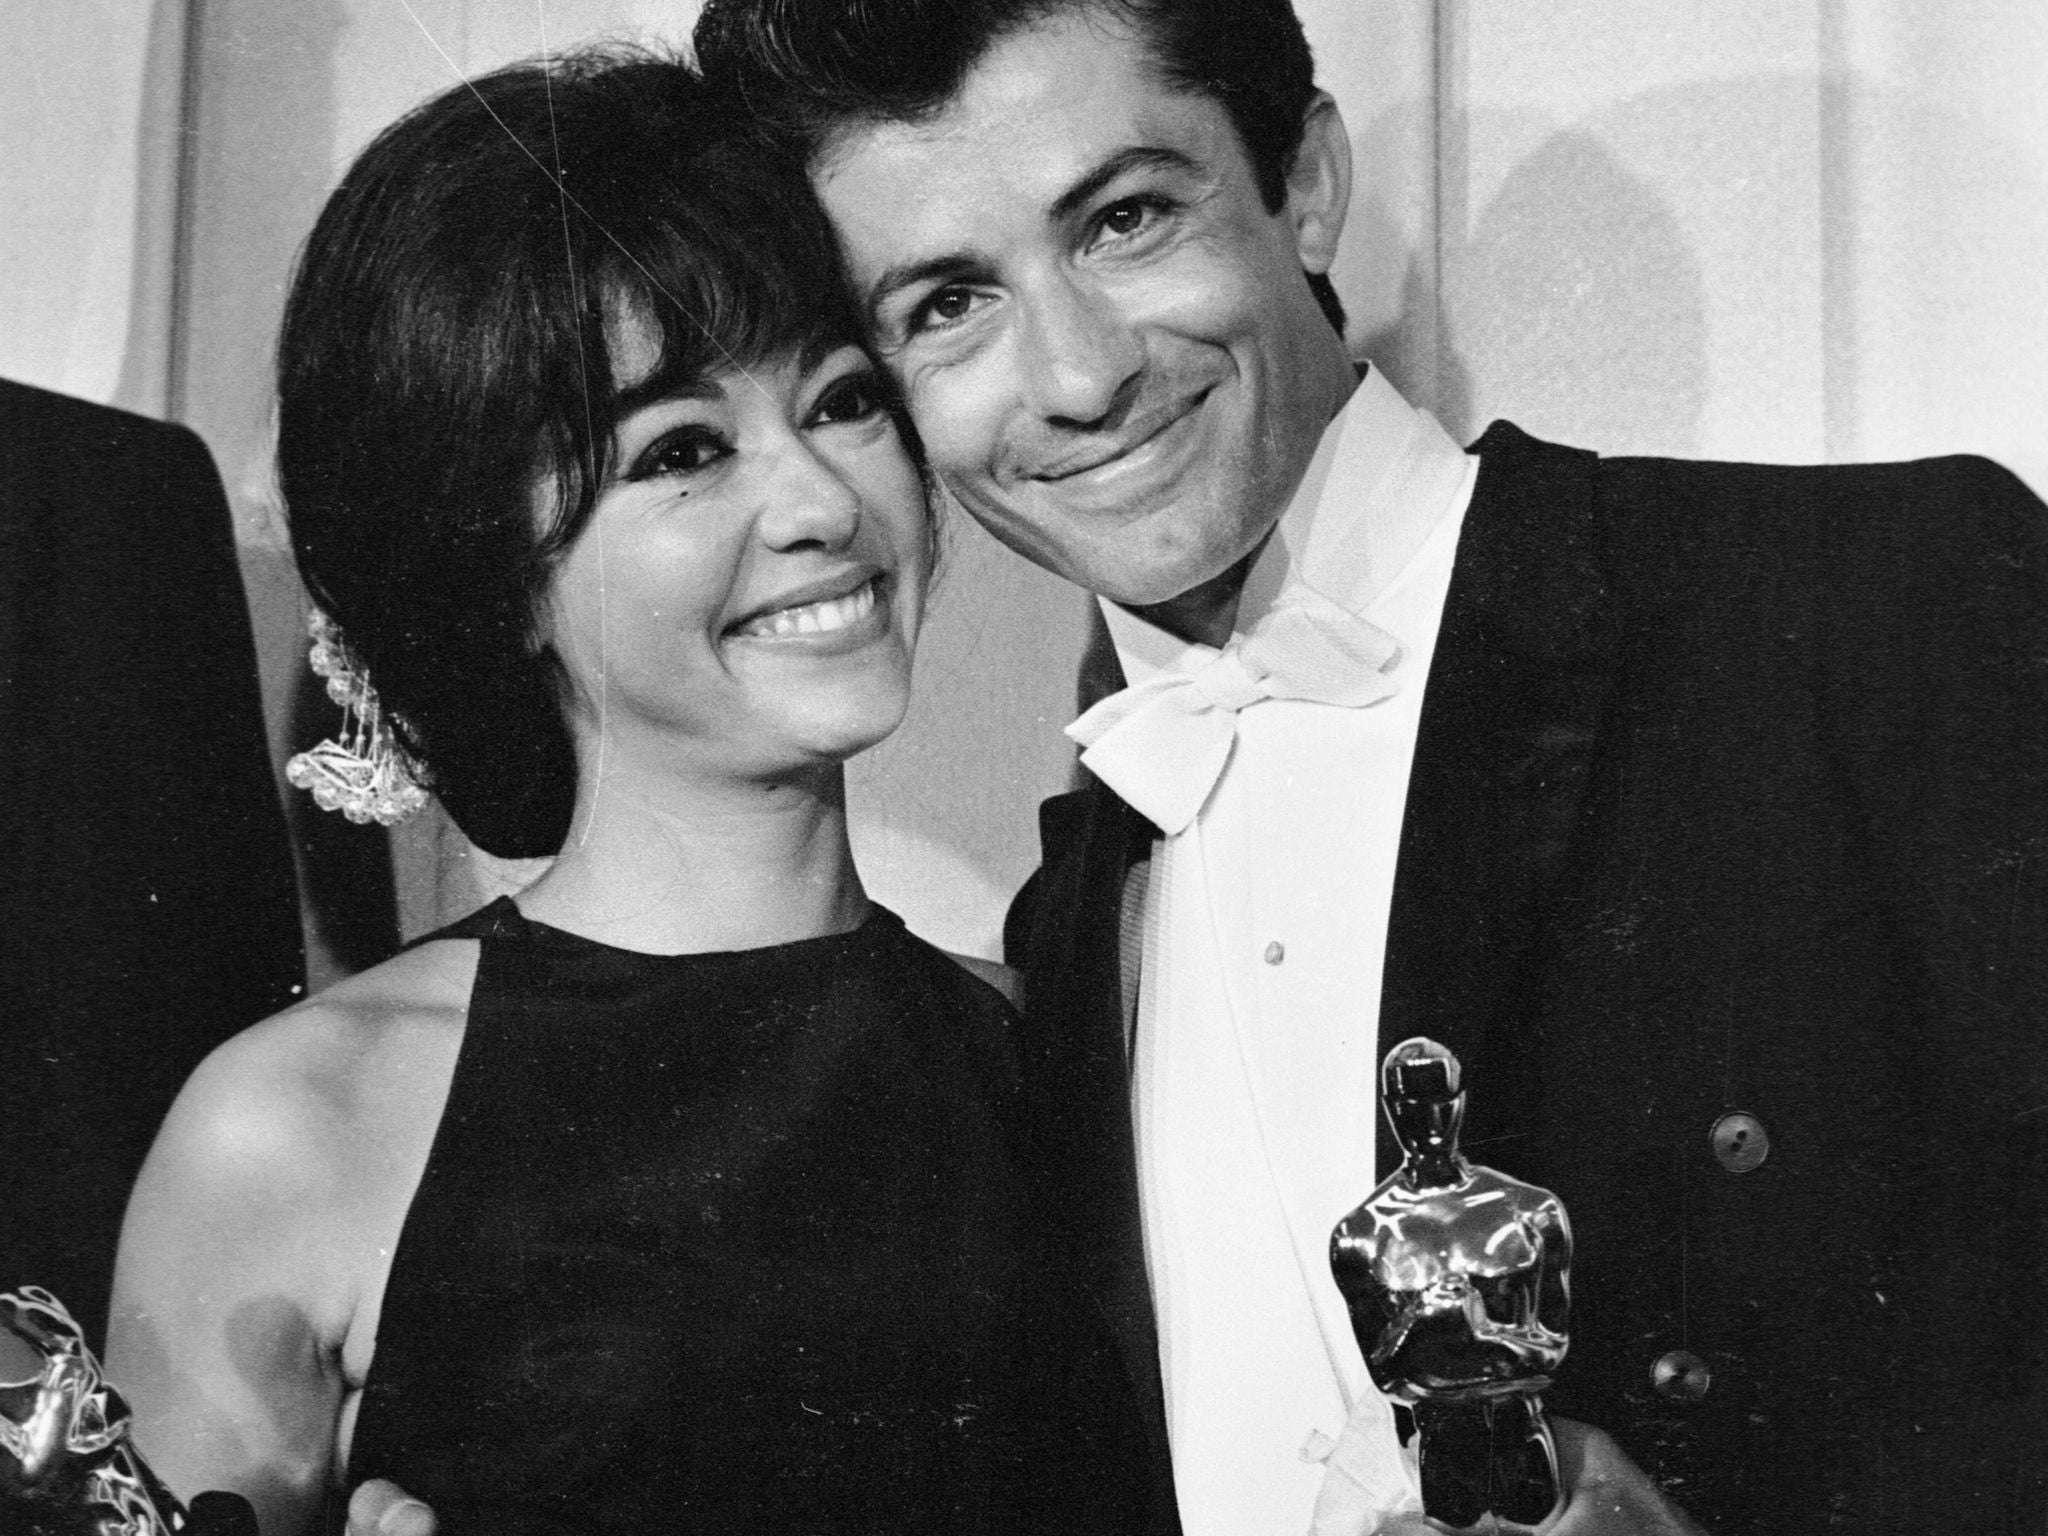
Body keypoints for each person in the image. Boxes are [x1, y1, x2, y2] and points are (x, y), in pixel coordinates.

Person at [689, 3, 2047, 1534]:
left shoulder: (1881, 605)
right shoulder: (1063, 937)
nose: (1072, 378)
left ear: (1307, 182)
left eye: (1127, 219)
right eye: (946, 306)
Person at [104, 49, 1150, 1536]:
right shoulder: (299, 1126)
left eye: (845, 401)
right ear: (497, 567)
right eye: (682, 451)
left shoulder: (1045, 1044)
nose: (819, 503)